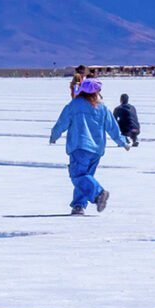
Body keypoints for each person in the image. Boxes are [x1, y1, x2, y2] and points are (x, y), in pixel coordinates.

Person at [49, 79, 130, 215]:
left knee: (78, 176)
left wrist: (54, 136)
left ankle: (99, 193)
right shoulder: (102, 108)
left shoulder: (74, 105)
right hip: (96, 150)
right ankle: (79, 206)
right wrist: (122, 142)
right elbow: (113, 128)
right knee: (85, 178)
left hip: (79, 147)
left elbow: (62, 123)